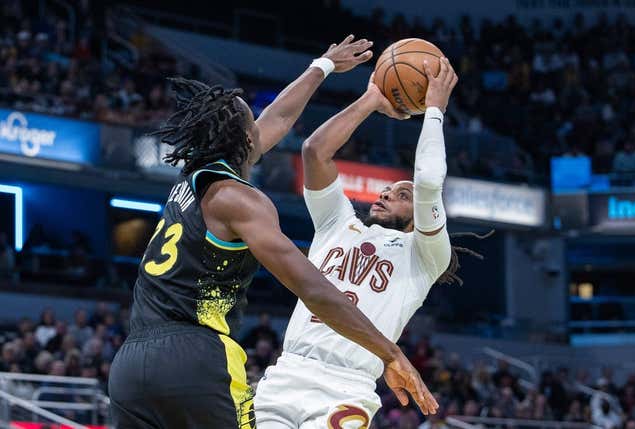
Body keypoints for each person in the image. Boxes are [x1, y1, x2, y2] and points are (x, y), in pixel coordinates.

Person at [108, 35, 433, 429]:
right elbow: (314, 290)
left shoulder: (192, 176)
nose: (263, 124)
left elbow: (277, 119)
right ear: (248, 140)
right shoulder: (242, 201)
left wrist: (323, 65)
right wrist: (390, 353)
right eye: (253, 120)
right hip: (196, 357)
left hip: (130, 364)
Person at [256, 58, 482, 427]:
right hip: (286, 372)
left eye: (400, 194)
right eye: (386, 190)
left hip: (346, 387)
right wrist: (372, 99)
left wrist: (435, 110)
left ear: (420, 214)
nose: (386, 194)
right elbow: (315, 151)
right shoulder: (336, 223)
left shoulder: (424, 256)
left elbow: (427, 181)